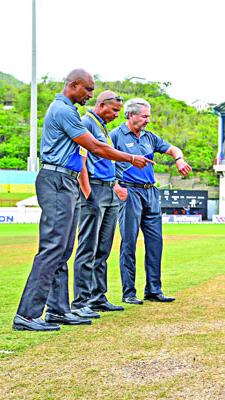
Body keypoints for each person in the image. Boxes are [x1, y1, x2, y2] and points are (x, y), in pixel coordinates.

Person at [12, 69, 153, 332]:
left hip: (65, 180)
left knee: (63, 249)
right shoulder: (64, 110)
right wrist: (131, 158)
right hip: (57, 180)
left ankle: (57, 310)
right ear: (73, 85)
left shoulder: (68, 110)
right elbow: (95, 148)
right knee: (53, 247)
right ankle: (27, 315)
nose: (90, 95)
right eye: (87, 90)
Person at [112, 98, 192, 305]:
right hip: (129, 192)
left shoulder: (149, 137)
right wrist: (115, 185)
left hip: (151, 193)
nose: (148, 120)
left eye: (148, 116)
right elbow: (100, 160)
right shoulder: (115, 136)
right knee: (128, 243)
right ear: (131, 115)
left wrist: (179, 159)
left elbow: (173, 149)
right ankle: (129, 292)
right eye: (144, 116)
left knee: (155, 243)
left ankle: (154, 290)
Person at [71, 91, 126, 318]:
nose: (116, 115)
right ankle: (80, 302)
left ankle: (97, 297)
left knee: (103, 248)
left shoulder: (102, 126)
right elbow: (81, 159)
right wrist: (87, 193)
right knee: (87, 247)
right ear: (101, 105)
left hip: (109, 189)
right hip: (94, 189)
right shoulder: (87, 124)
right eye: (114, 110)